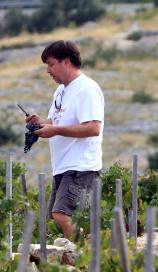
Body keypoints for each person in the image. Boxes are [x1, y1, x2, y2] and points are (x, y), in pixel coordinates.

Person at [25, 40, 104, 239]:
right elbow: (55, 121)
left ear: (66, 62)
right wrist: (40, 122)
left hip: (81, 166)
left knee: (61, 214)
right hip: (63, 164)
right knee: (57, 216)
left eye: (51, 64)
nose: (48, 71)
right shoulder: (60, 91)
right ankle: (81, 251)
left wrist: (55, 130)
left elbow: (94, 128)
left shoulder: (87, 89)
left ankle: (86, 252)